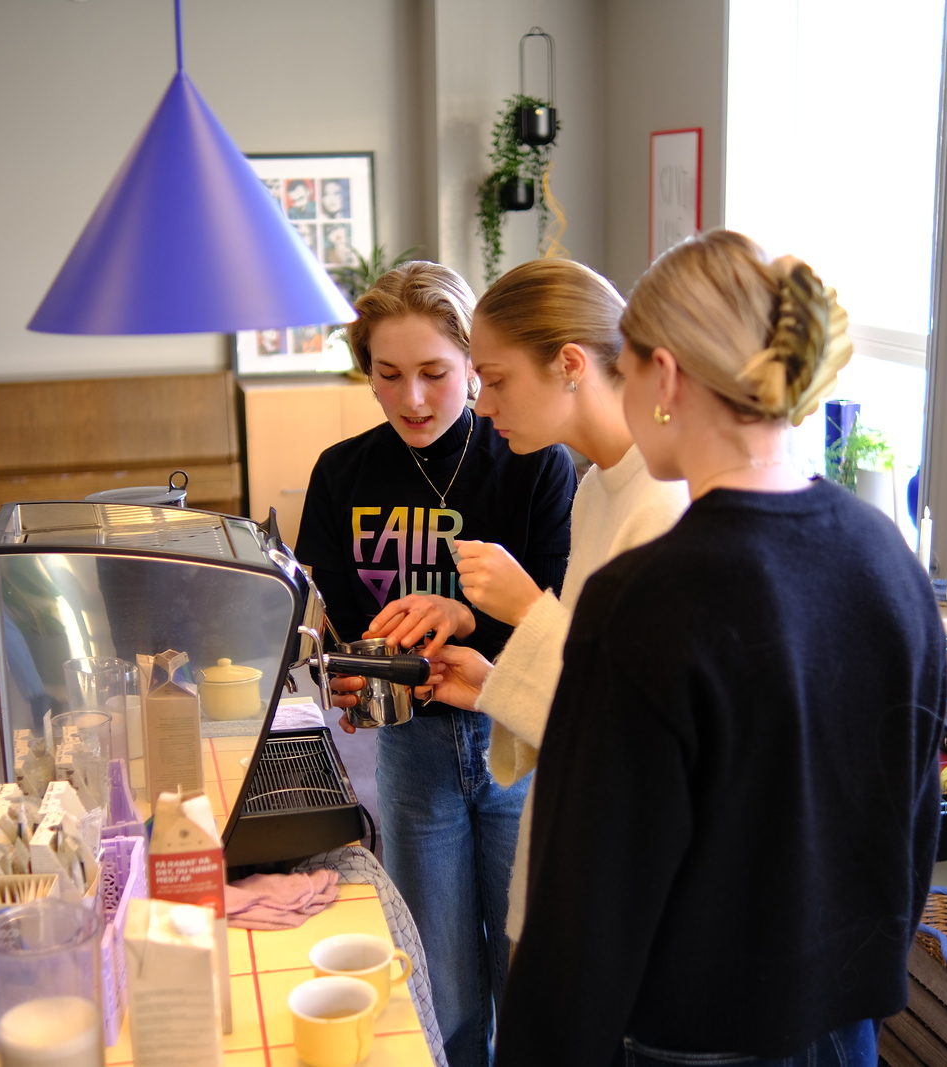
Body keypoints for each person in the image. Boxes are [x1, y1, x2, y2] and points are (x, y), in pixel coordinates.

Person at [494, 231, 945, 1067]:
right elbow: (915, 822)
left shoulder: (645, 597)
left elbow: (590, 891)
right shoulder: (888, 557)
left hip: (695, 1039)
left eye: (627, 369)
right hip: (846, 1026)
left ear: (664, 376)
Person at [293, 260, 576, 1067]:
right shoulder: (341, 472)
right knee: (438, 990)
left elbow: (563, 619)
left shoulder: (534, 461)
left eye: (435, 373)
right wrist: (344, 672)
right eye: (388, 375)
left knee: (530, 982)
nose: (412, 398)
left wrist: (468, 615)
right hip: (409, 749)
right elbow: (326, 621)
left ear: (473, 365)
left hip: (514, 739)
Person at [420, 258, 690, 947]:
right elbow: (588, 682)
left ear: (570, 363)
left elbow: (644, 729)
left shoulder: (664, 501)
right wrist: (493, 684)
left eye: (496, 380)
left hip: (640, 873)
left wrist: (525, 608)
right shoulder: (596, 487)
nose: (483, 406)